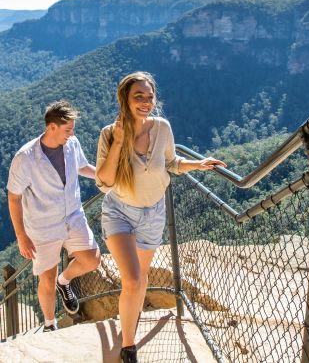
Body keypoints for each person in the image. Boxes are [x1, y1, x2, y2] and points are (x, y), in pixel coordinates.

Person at [96, 71, 227, 363]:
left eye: (149, 96)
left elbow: (171, 162)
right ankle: (128, 347)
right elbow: (103, 182)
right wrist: (118, 143)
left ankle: (128, 317)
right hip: (120, 212)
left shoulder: (163, 128)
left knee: (140, 279)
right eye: (138, 96)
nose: (145, 102)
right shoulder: (109, 133)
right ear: (125, 99)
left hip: (154, 214)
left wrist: (199, 163)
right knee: (131, 280)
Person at [7, 100, 101, 332]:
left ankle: (65, 281)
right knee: (46, 277)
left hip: (73, 216)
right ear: (51, 127)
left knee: (92, 259)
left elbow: (83, 167)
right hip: (43, 226)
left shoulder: (72, 143)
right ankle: (50, 324)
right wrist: (21, 237)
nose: (72, 133)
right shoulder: (25, 158)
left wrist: (104, 178)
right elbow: (14, 197)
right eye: (68, 129)